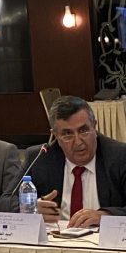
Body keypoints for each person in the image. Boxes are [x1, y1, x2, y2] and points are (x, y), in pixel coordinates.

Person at [29, 95, 126, 227]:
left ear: (94, 127)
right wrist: (31, 207)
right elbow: (7, 200)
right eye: (67, 134)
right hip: (55, 236)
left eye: (83, 130)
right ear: (56, 135)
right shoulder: (40, 157)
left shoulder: (120, 156)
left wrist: (105, 216)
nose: (78, 142)